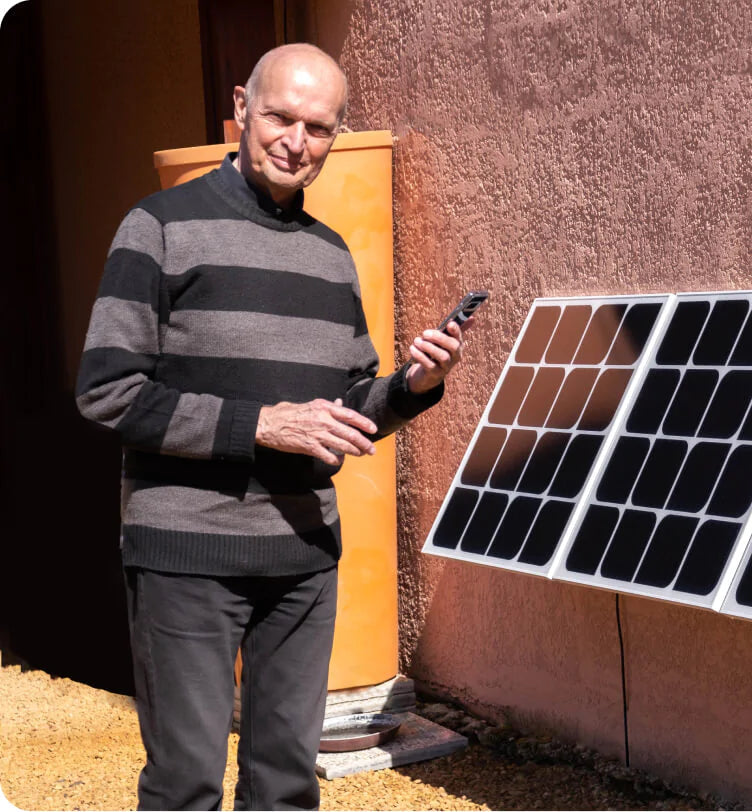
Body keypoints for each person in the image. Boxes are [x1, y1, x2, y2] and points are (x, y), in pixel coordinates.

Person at [75, 43, 469, 810]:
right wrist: (262, 426)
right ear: (242, 107)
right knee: (186, 784)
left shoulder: (329, 255)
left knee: (287, 787)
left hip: (302, 560)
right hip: (186, 557)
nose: (297, 141)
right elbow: (107, 392)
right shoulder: (156, 226)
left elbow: (345, 411)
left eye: (319, 128)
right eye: (282, 117)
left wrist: (413, 385)